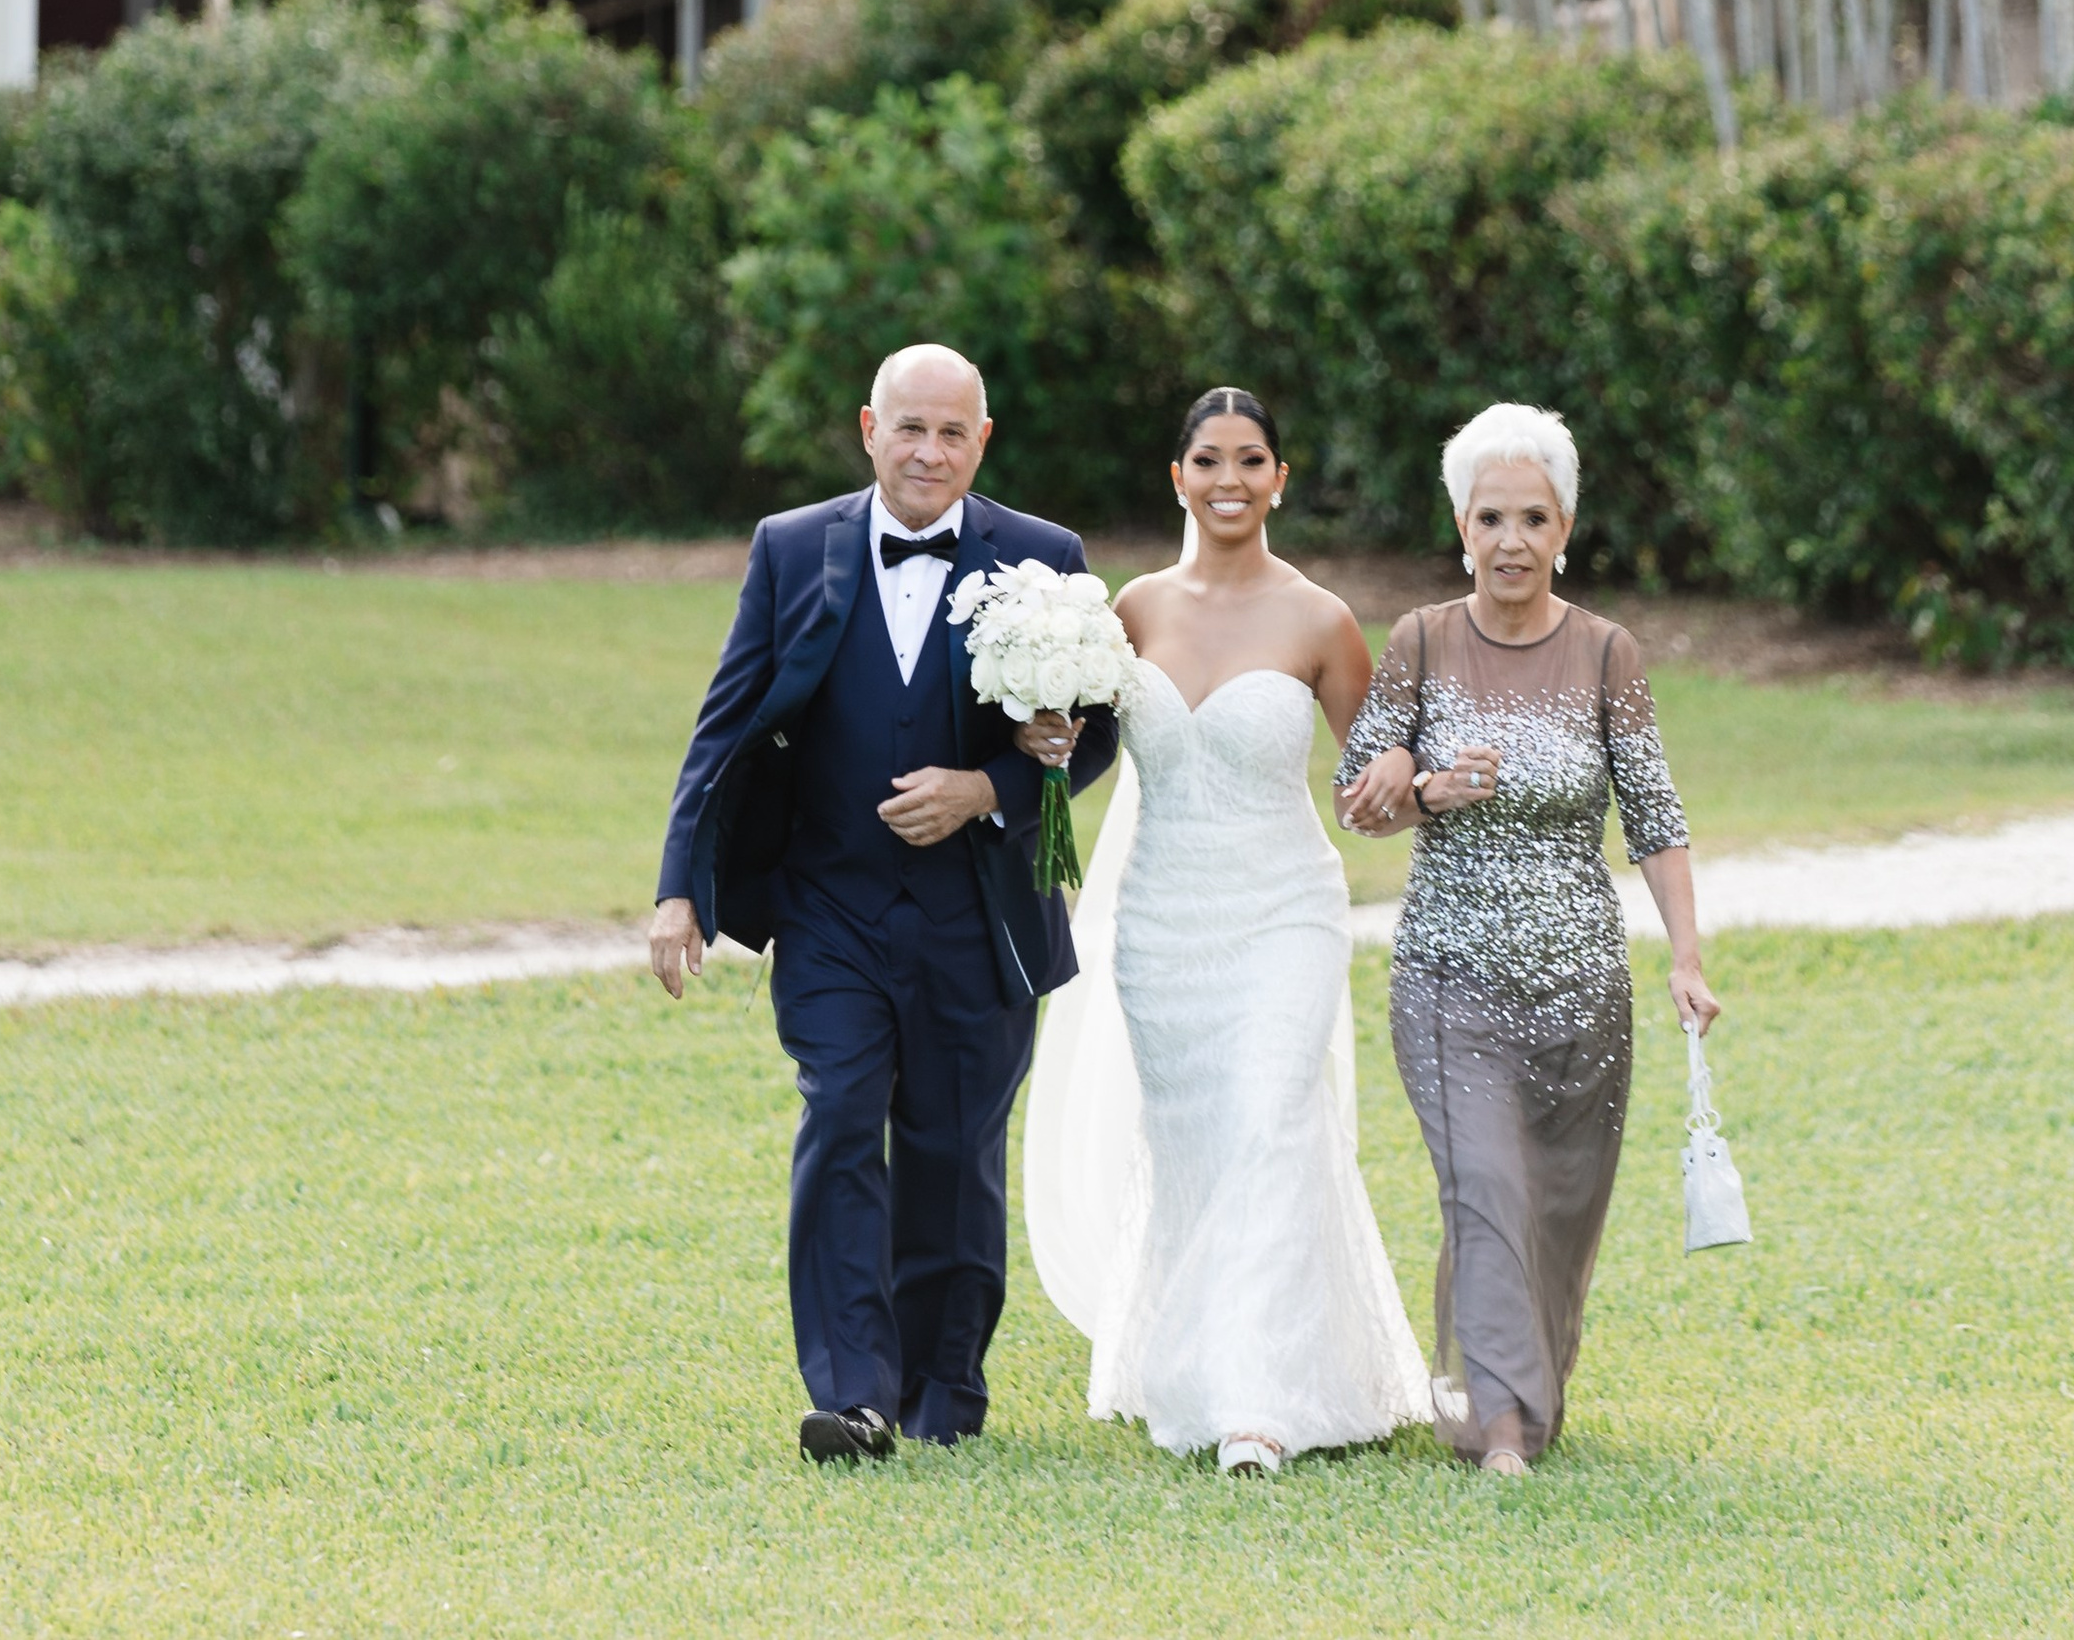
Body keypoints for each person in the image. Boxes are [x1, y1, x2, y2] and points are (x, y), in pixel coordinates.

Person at [649, 341, 1117, 1464]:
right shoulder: (790, 547)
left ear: (983, 441)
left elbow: (1092, 724)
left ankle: (942, 1392)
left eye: (953, 431)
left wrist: (987, 787)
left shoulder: (1045, 558)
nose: (929, 450)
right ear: (869, 427)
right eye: (910, 427)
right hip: (831, 908)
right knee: (842, 1119)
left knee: (954, 1153)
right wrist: (680, 886)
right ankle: (852, 1395)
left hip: (978, 911)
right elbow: (723, 722)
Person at [1023, 386, 1430, 1474]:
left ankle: (1259, 1401)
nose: (1230, 480)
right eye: (1209, 459)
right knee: (1199, 1142)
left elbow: (1373, 781)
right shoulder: (1131, 609)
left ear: (1280, 479)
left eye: (1252, 459)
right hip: (1162, 919)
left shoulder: (1321, 619)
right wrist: (1041, 734)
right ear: (1177, 478)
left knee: (1268, 1121)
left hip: (1282, 911)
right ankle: (1194, 1365)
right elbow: (1083, 744)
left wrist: (1405, 783)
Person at [1337, 400, 1718, 1477]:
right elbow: (1357, 795)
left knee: (1556, 1206)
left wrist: (1685, 957)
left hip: (1582, 986)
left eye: (1533, 518)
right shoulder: (1418, 641)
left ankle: (1508, 1392)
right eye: (1489, 516)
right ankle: (1496, 1425)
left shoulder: (1607, 652)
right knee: (1485, 1187)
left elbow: (1654, 814)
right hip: (1450, 975)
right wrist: (1421, 786)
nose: (1511, 539)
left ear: (1564, 529)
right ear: (1460, 526)